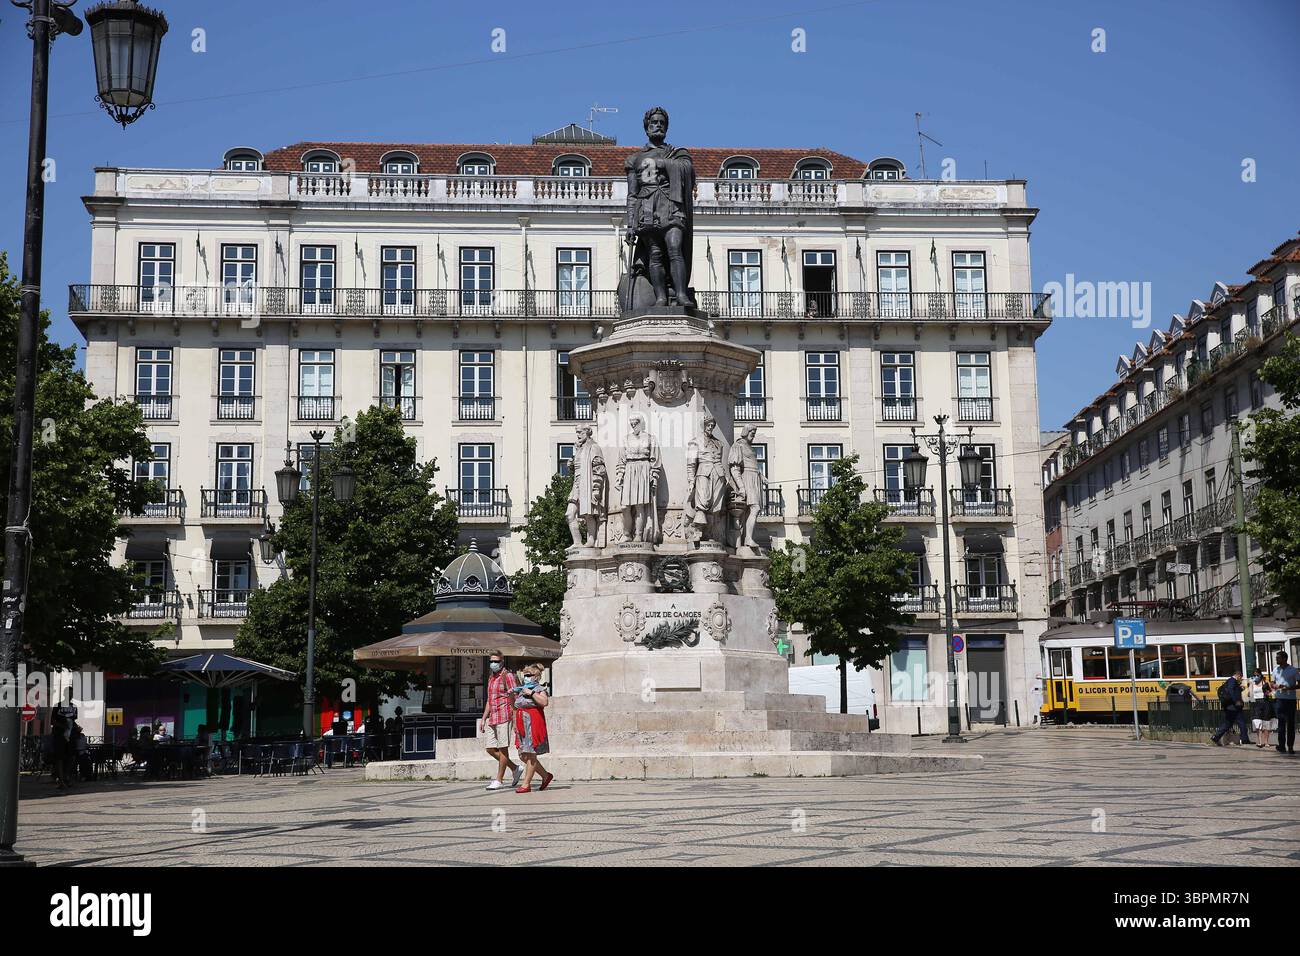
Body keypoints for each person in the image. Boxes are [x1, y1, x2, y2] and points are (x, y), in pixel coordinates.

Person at [479, 651, 522, 791]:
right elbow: (489, 700)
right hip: (493, 717)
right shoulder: (491, 678)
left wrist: (515, 719)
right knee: (490, 749)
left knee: (503, 749)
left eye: (496, 661)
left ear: (502, 662)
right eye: (491, 661)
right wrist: (484, 718)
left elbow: (514, 698)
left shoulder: (507, 676)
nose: (493, 664)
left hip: (504, 716)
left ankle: (499, 779)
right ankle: (515, 768)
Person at [511, 663, 553, 793]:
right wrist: (514, 724)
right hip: (521, 722)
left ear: (536, 676)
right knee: (523, 755)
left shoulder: (539, 689)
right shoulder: (522, 689)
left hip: (533, 723)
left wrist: (532, 692)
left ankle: (526, 784)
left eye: (529, 675)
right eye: (525, 675)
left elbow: (544, 702)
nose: (526, 678)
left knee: (531, 754)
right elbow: (516, 707)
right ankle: (546, 775)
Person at [1211, 671, 1251, 746]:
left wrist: (1240, 689)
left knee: (1228, 723)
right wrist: (1236, 701)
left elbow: (1233, 691)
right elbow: (1231, 691)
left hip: (1230, 706)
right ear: (1238, 676)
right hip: (1234, 706)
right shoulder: (1232, 681)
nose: (1241, 679)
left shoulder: (1230, 681)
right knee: (1241, 722)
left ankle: (1216, 737)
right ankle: (1244, 739)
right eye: (1241, 678)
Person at [1272, 650, 1298, 754]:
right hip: (1279, 699)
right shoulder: (1275, 670)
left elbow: (1299, 684)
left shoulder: (1293, 670)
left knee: (1290, 724)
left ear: (1284, 659)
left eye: (1278, 658)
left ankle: (1290, 746)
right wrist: (1274, 686)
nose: (1276, 659)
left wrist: (1289, 688)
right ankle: (1281, 746)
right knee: (1281, 723)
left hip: (1290, 700)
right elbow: (1273, 683)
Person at [1248, 672, 1276, 750]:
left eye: (1257, 675)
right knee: (1258, 723)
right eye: (1254, 675)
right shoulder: (1252, 684)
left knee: (1266, 723)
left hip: (1265, 703)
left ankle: (1266, 742)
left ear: (1261, 676)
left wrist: (1269, 693)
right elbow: (1250, 695)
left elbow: (1272, 692)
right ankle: (1259, 741)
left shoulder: (1266, 683)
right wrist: (1250, 685)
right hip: (1256, 704)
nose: (1256, 677)